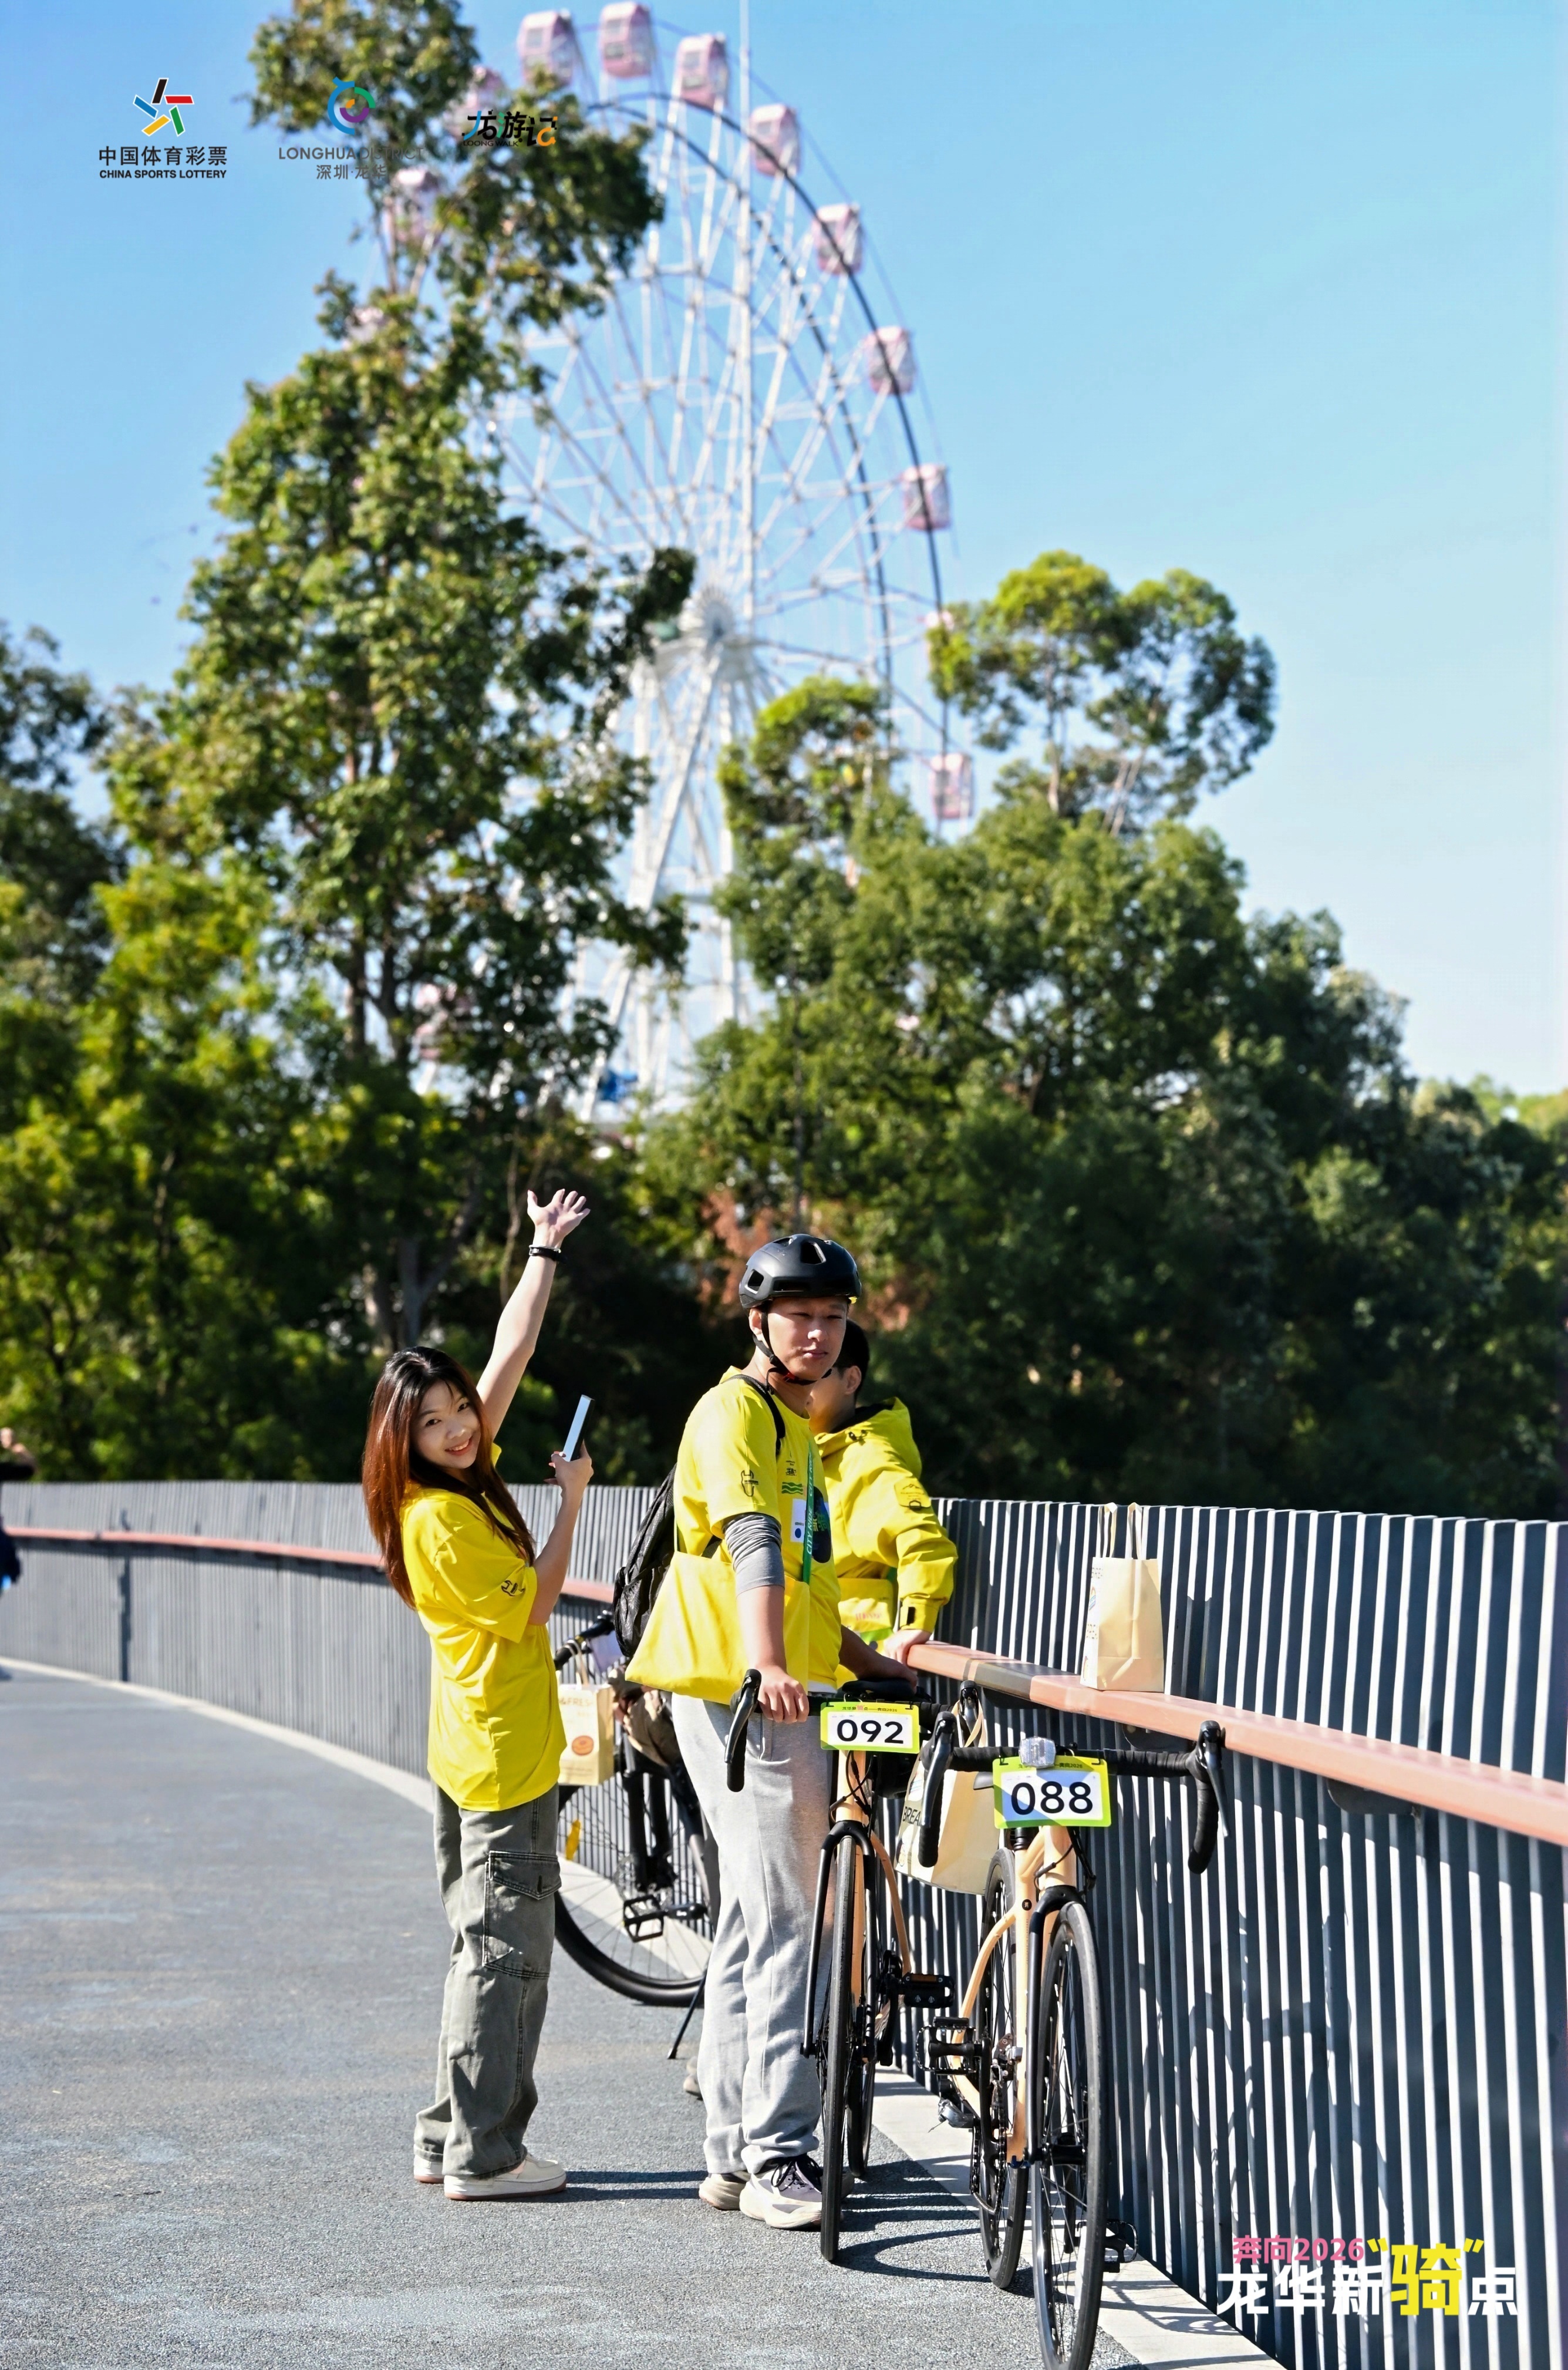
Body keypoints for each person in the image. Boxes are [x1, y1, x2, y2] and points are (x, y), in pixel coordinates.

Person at [628, 1233, 913, 2231]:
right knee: (796, 1918)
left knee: (756, 1919)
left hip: (756, 1680)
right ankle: (778, 2158)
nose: (818, 1332)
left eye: (833, 1317)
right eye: (798, 1314)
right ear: (757, 1321)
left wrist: (859, 1657)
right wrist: (769, 1663)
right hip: (737, 1688)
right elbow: (748, 1538)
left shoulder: (796, 1430)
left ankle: (731, 2155)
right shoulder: (734, 1414)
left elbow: (801, 1572)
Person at [362, 1186, 592, 2203]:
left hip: (474, 1747)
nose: (462, 1427)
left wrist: (541, 1251)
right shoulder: (440, 1523)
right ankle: (485, 2154)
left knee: (479, 1947)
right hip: (501, 1758)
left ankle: (440, 2131)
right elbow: (539, 1604)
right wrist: (571, 1504)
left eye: (461, 1411)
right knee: (508, 1955)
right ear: (399, 1438)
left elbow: (509, 1354)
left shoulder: (450, 1482)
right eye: (439, 1421)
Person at [807, 1321, 956, 1666]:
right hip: (821, 1647)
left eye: (819, 1369)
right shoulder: (805, 1450)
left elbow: (925, 1541)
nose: (801, 1380)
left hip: (850, 1657)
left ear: (851, 1380)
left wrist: (915, 1622)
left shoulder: (867, 1458)